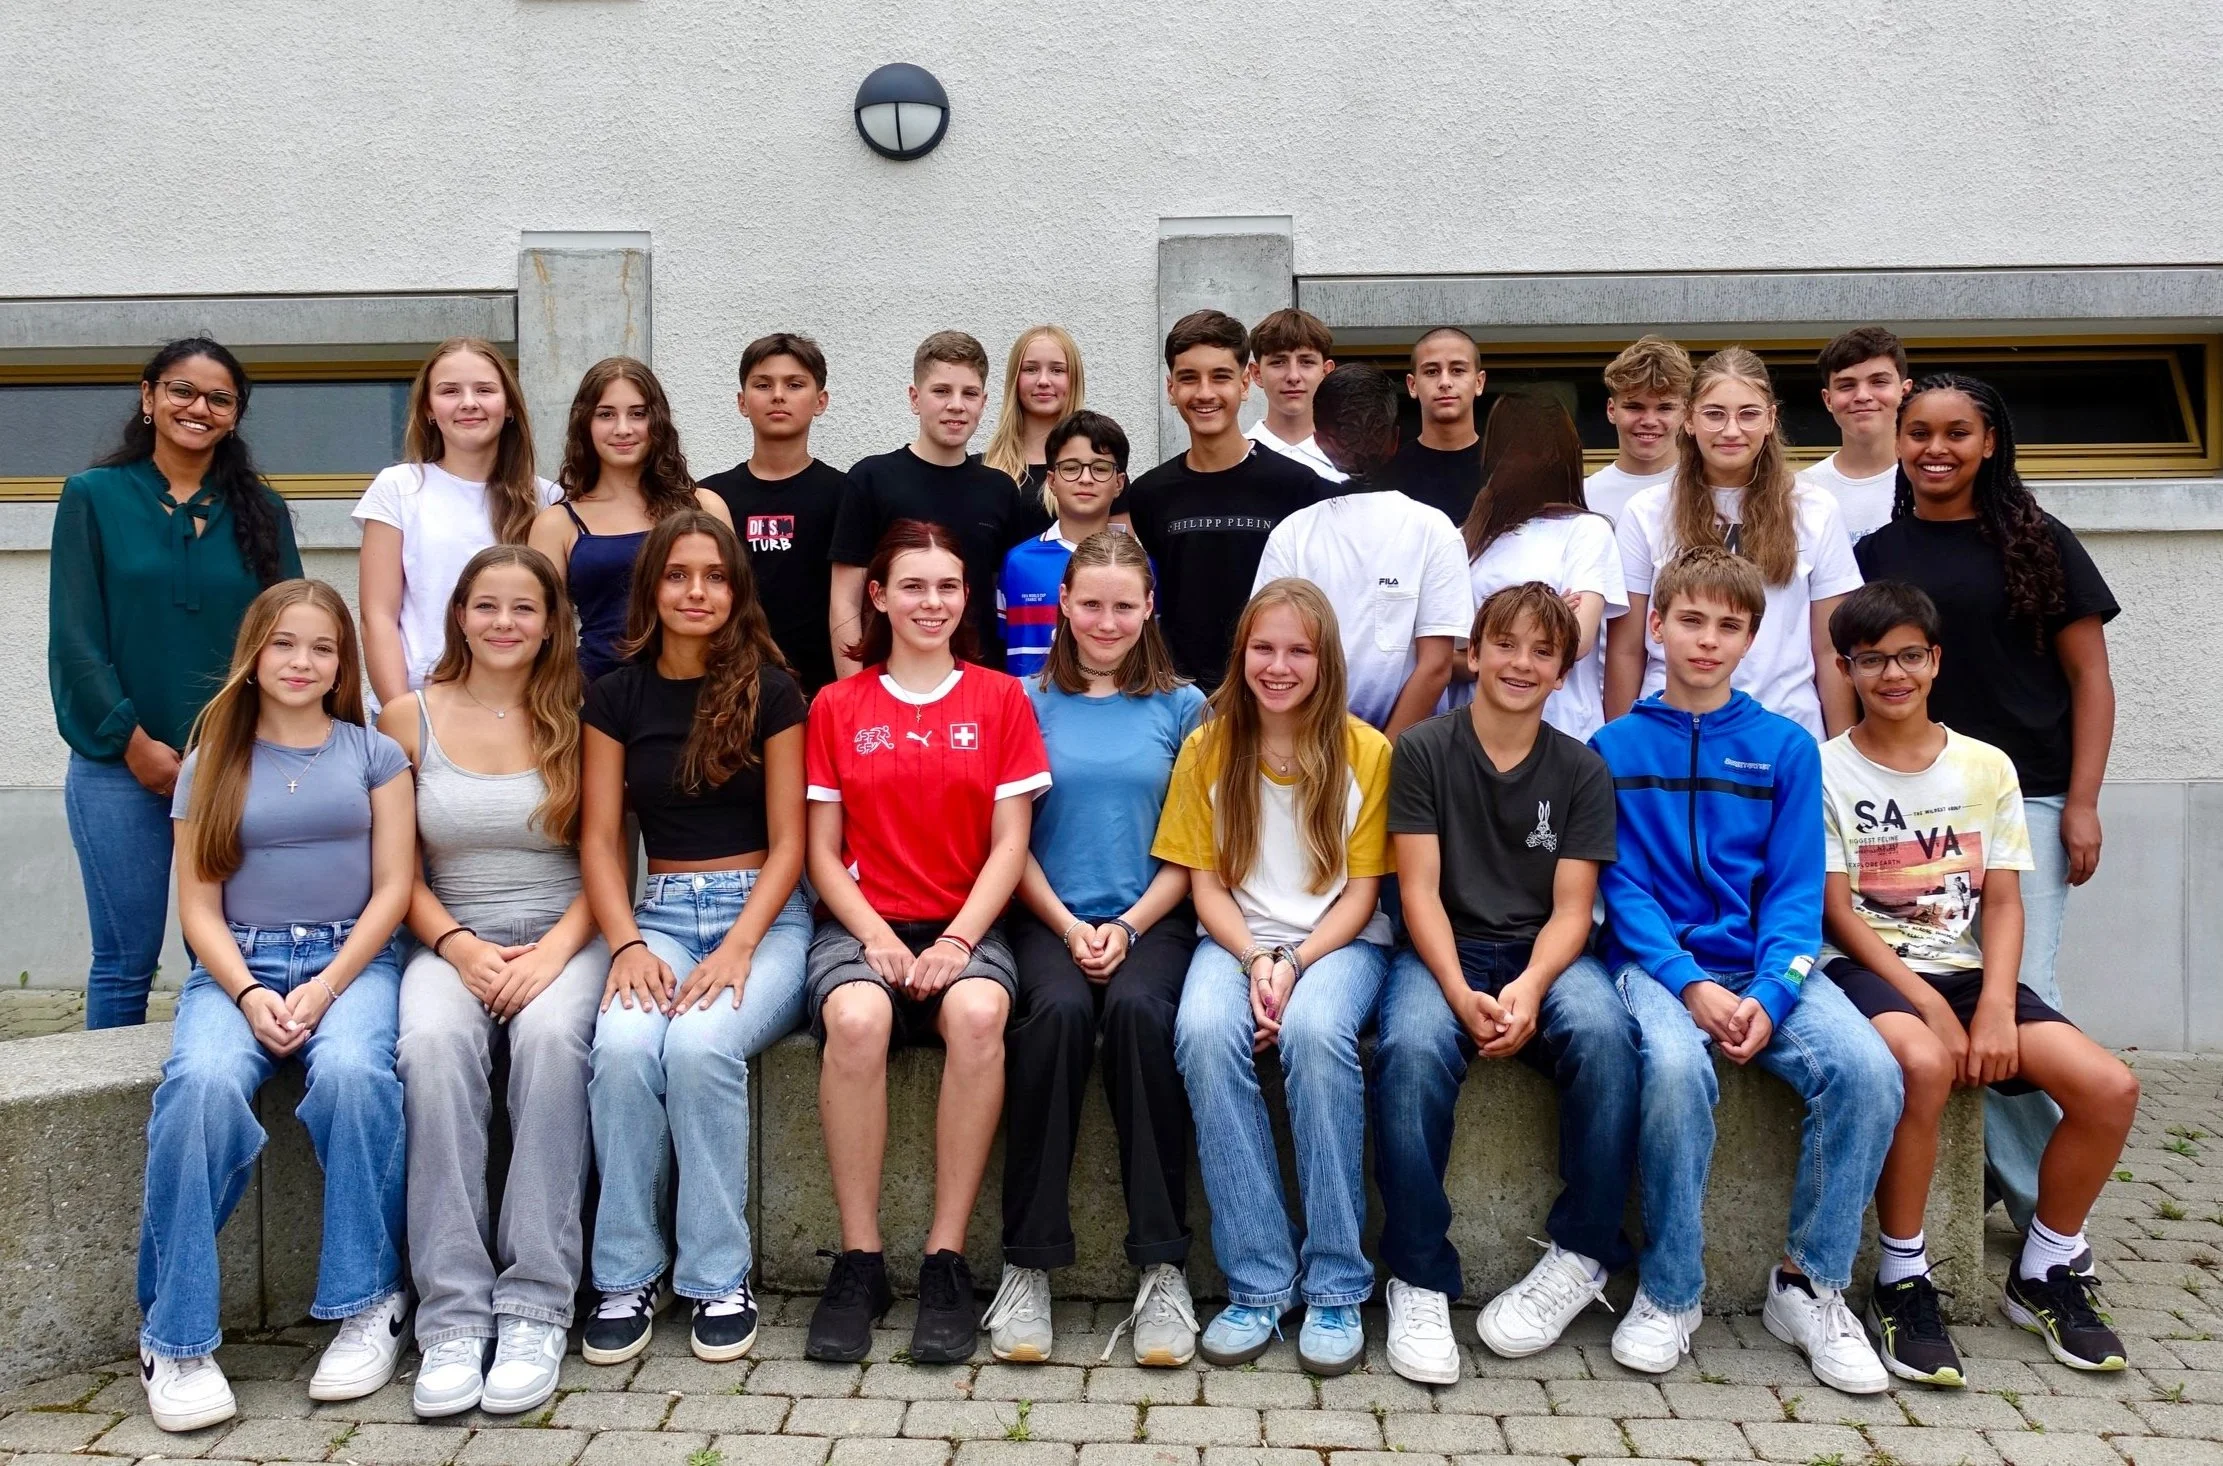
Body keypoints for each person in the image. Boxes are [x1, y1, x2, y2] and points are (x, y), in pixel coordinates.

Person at [1590, 547, 1901, 1393]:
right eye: (1689, 620)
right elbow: (1619, 888)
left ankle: (1807, 1285)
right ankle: (1669, 1292)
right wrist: (1688, 983)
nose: (1707, 640)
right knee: (1672, 1067)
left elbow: (1796, 894)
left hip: (1765, 968)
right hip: (1655, 968)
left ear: (1751, 640)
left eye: (1728, 626)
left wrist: (1770, 991)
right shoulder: (1611, 748)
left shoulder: (1786, 748)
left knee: (1868, 1070)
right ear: (1655, 627)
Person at [1818, 580, 2138, 1382]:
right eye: (1871, 660)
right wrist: (1926, 1002)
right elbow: (1836, 913)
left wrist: (1994, 1001)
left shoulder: (1985, 765)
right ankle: (1900, 1278)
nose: (1892, 674)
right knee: (1923, 1065)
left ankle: (2045, 1266)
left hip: (1965, 971)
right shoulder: (1824, 769)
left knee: (2109, 1088)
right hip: (1866, 968)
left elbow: (2000, 900)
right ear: (1844, 669)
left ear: (1935, 660)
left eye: (1908, 656)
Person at [138, 579, 414, 1431]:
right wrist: (252, 993)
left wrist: (326, 987)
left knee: (355, 1076)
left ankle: (370, 1303)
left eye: (322, 647)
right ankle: (175, 1337)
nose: (302, 661)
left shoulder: (374, 755)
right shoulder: (211, 762)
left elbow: (395, 888)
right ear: (253, 655)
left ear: (343, 664)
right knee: (200, 1086)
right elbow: (197, 909)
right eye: (284, 643)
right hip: (239, 964)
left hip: (352, 962)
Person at [1857, 374, 2119, 1238]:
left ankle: (2045, 1218)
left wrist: (2082, 800)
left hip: (2028, 795)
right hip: (1906, 812)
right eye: (1918, 432)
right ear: (1898, 442)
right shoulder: (1873, 550)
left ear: (1989, 443)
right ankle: (2027, 1201)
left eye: (1956, 433)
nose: (1935, 449)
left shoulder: (2038, 543)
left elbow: (2089, 677)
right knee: (1950, 993)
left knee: (2018, 992)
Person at [802, 520, 1051, 1365]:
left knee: (979, 1014)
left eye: (947, 587)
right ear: (878, 596)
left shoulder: (1000, 698)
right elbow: (821, 853)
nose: (930, 602)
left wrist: (956, 939)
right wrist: (874, 936)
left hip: (964, 922)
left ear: (966, 597)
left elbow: (1010, 845)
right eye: (912, 586)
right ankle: (860, 1261)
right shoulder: (838, 705)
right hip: (863, 924)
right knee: (857, 1020)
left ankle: (945, 1261)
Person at [1373, 584, 1633, 1385]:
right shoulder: (1421, 750)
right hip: (1441, 949)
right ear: (1474, 652)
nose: (1521, 663)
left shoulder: (1581, 768)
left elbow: (1573, 909)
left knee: (1605, 1036)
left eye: (1542, 651)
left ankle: (1583, 1250)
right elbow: (1417, 892)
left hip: (1541, 952)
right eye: (1506, 644)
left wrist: (1528, 986)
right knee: (1409, 1047)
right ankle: (1417, 1275)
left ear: (1562, 670)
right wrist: (1460, 994)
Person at [576, 511, 812, 1366]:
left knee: (700, 1045)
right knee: (622, 1047)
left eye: (713, 576)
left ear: (736, 590)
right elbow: (599, 840)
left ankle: (717, 1275)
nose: (695, 592)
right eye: (677, 575)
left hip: (764, 916)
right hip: (662, 915)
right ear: (651, 589)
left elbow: (791, 843)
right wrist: (627, 944)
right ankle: (625, 1274)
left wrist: (741, 944)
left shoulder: (774, 691)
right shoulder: (614, 695)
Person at [382, 546, 604, 1419]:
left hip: (568, 934)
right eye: (486, 606)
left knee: (551, 1042)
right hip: (449, 936)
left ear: (551, 624)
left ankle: (535, 1306)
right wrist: (458, 946)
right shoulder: (408, 718)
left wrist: (553, 954)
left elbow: (611, 860)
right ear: (459, 617)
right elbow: (394, 874)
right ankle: (450, 1314)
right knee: (431, 1046)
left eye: (524, 608)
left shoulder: (584, 713)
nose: (504, 622)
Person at [1157, 579, 1394, 1377]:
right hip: (1236, 938)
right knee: (1200, 1030)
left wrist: (1293, 963)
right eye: (1263, 648)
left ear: (1326, 661)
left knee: (1317, 1033)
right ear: (1240, 654)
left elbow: (1361, 896)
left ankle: (1336, 1282)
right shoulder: (1208, 747)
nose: (1279, 665)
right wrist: (1257, 958)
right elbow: (1204, 888)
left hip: (1338, 943)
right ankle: (1259, 1277)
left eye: (1298, 650)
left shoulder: (1366, 751)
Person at [987, 531, 1206, 1367]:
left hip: (1152, 917)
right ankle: (1027, 1264)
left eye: (1122, 605)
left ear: (1148, 607)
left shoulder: (1184, 708)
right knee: (1055, 1018)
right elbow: (1008, 843)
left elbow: (1192, 849)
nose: (1105, 622)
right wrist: (1070, 927)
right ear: (1063, 606)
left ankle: (1162, 1265)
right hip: (1047, 917)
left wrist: (1128, 927)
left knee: (1145, 1018)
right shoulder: (1022, 702)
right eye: (1090, 605)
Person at [49, 337, 302, 1029]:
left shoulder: (262, 509)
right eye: (182, 391)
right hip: (117, 763)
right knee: (123, 960)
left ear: (235, 414)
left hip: (232, 764)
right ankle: (107, 1096)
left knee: (223, 954)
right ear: (149, 396)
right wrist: (132, 743)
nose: (199, 408)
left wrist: (229, 749)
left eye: (219, 399)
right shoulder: (92, 496)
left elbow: (287, 637)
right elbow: (75, 641)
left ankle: (209, 1086)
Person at [1605, 347, 1862, 739]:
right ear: (1689, 419)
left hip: (1785, 731)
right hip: (1669, 733)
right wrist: (1620, 746)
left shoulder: (1815, 508)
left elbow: (1829, 651)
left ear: (1770, 419)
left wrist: (1841, 751)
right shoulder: (1646, 511)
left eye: (1748, 414)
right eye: (1714, 414)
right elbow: (1625, 650)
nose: (1731, 430)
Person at [1253, 364, 1471, 740]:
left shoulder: (1293, 534)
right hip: (1365, 749)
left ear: (1319, 442)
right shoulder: (1436, 531)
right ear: (1396, 439)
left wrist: (1374, 758)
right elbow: (1436, 666)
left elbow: (1270, 653)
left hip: (1317, 746)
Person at [356, 338, 559, 709]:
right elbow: (377, 617)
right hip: (421, 702)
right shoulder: (398, 487)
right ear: (428, 409)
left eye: (484, 390)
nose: (468, 403)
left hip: (520, 707)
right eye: (450, 391)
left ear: (509, 406)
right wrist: (403, 712)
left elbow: (553, 616)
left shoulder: (547, 499)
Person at [1124, 309, 1321, 689]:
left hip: (1274, 689)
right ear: (1170, 389)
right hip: (1180, 695)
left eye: (1220, 377)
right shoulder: (1150, 493)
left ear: (1245, 383)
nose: (1204, 393)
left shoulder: (1298, 487)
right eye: (1188, 378)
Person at [527, 357, 733, 682]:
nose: (623, 429)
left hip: (698, 688)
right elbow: (541, 628)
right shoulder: (556, 524)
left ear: (658, 421)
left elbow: (736, 608)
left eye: (638, 414)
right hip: (594, 692)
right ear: (585, 423)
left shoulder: (704, 507)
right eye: (606, 414)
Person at [1450, 392, 1627, 740]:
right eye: (1517, 449)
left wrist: (1487, 639)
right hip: (1472, 737)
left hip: (1562, 733)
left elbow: (1577, 640)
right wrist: (1551, 614)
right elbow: (1441, 654)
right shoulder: (1465, 537)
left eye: (1542, 451)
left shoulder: (1588, 531)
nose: (1530, 462)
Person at [698, 332, 849, 693]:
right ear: (742, 402)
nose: (778, 395)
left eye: (794, 384)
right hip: (727, 683)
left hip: (822, 686)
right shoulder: (709, 496)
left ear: (820, 401)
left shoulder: (846, 493)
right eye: (763, 385)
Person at [998, 410, 1130, 679]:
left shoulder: (1139, 565)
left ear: (1119, 483)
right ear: (1051, 481)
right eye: (1070, 468)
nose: (1085, 478)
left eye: (1100, 468)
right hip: (1031, 703)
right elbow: (998, 646)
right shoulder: (1019, 563)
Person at [1798, 327, 1913, 544]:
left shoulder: (1928, 480)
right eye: (1847, 385)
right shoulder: (1800, 491)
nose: (1862, 396)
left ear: (1904, 392)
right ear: (1828, 400)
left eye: (1879, 382)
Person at [982, 324, 1088, 542]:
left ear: (1074, 379)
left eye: (1057, 370)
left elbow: (1118, 555)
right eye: (1031, 369)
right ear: (1015, 378)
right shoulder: (981, 470)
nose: (1043, 381)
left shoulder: (1100, 471)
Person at [1584, 335, 1692, 525]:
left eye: (1665, 408)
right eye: (1634, 407)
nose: (1649, 421)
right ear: (1611, 410)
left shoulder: (1707, 489)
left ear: (1685, 413)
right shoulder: (1584, 497)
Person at [1383, 327, 1485, 525]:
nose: (1445, 382)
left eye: (1457, 370)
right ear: (1412, 385)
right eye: (1431, 371)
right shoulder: (1386, 474)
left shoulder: (1505, 470)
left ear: (1479, 382)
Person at [1244, 307, 1346, 482]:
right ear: (1257, 373)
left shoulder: (1354, 464)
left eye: (1306, 362)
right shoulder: (1233, 458)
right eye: (1278, 362)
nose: (1293, 376)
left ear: (1326, 372)